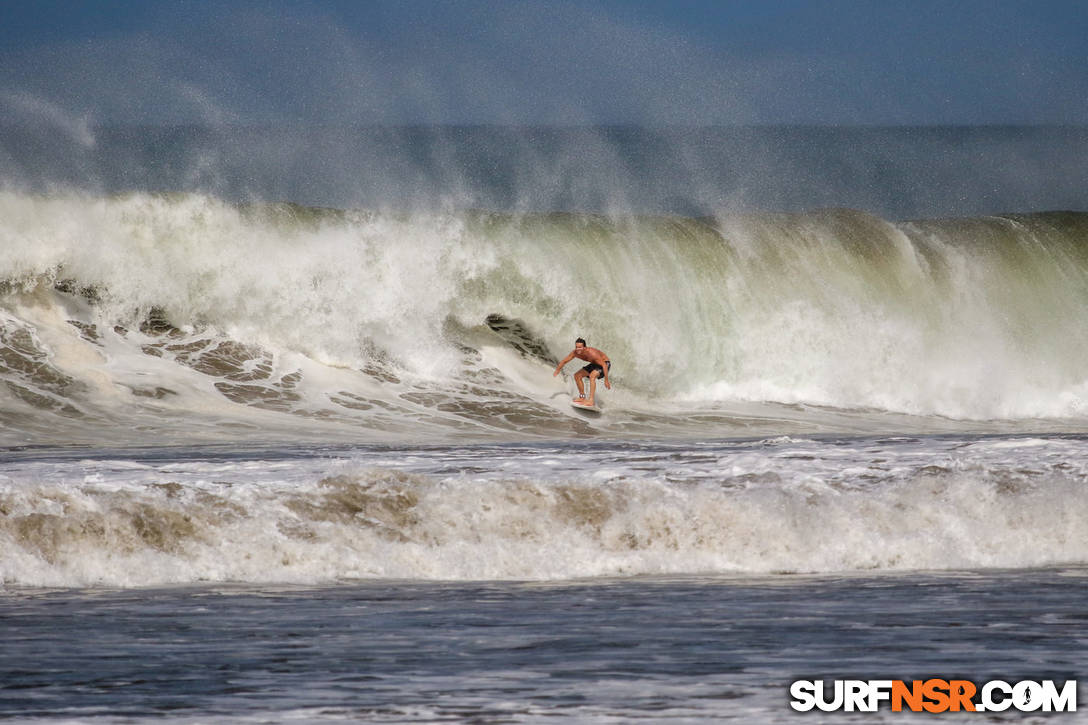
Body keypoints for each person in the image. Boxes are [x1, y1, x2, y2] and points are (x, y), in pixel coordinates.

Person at [553, 337, 611, 406]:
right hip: (594, 363)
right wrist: (557, 370)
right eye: (576, 347)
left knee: (592, 376)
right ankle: (582, 397)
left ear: (585, 347)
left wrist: (606, 380)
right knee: (577, 375)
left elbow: (604, 365)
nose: (578, 349)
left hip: (604, 363)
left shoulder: (592, 353)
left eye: (580, 347)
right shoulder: (575, 353)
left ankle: (591, 401)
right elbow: (564, 361)